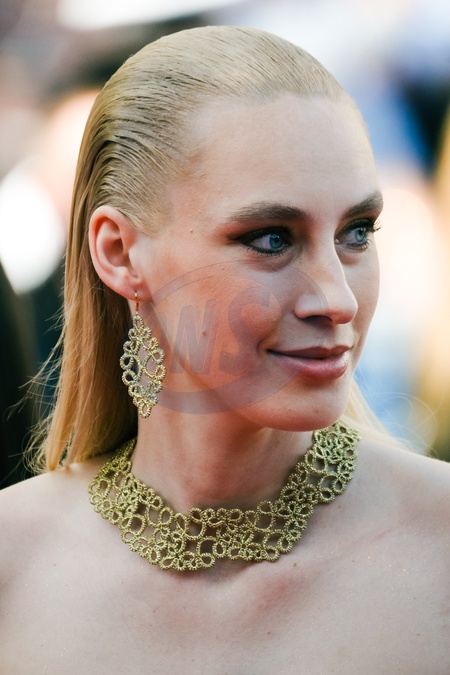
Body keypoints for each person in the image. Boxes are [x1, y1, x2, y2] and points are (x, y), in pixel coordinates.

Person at [0, 25, 449, 674]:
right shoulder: (15, 561)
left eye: (356, 232)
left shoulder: (437, 546)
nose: (337, 299)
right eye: (271, 239)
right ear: (120, 253)